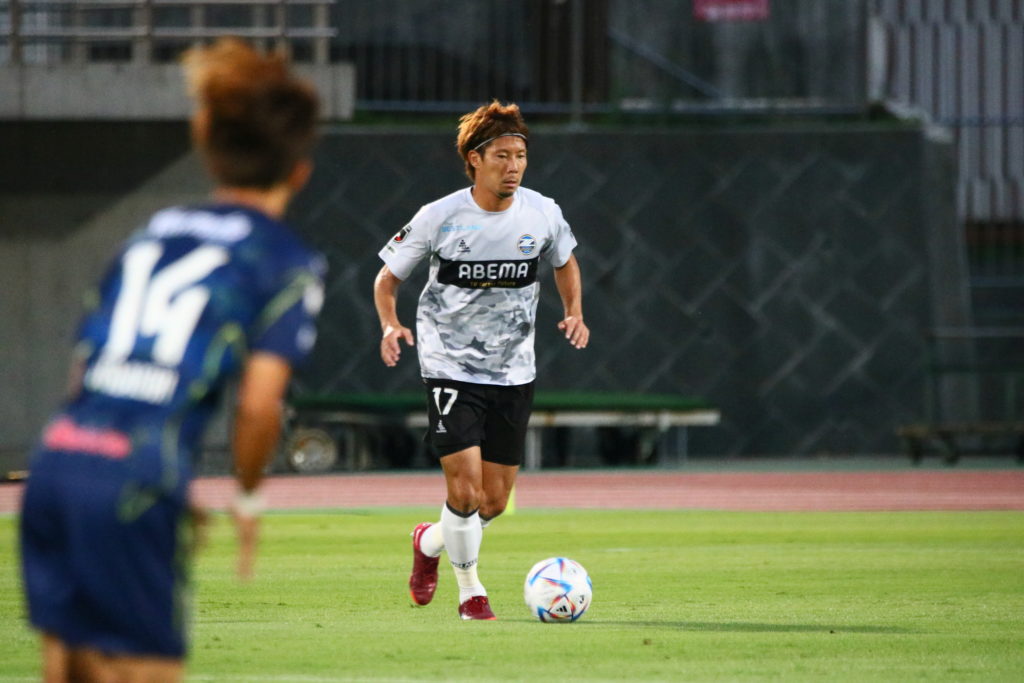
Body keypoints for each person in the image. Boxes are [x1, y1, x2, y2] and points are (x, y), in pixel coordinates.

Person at [19, 38, 324, 681]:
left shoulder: (153, 234)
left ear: (206, 147)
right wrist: (247, 497)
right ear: (301, 172)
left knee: (68, 671)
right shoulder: (284, 261)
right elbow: (258, 404)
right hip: (135, 479)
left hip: (57, 464)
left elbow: (86, 366)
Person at [373, 100, 589, 620]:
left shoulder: (543, 212)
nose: (513, 166)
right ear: (474, 159)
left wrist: (574, 312)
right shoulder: (439, 216)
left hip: (513, 369)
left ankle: (428, 542)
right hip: (449, 364)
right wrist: (390, 323)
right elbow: (387, 278)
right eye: (501, 156)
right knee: (465, 489)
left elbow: (564, 261)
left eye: (520, 156)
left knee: (492, 502)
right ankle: (471, 592)